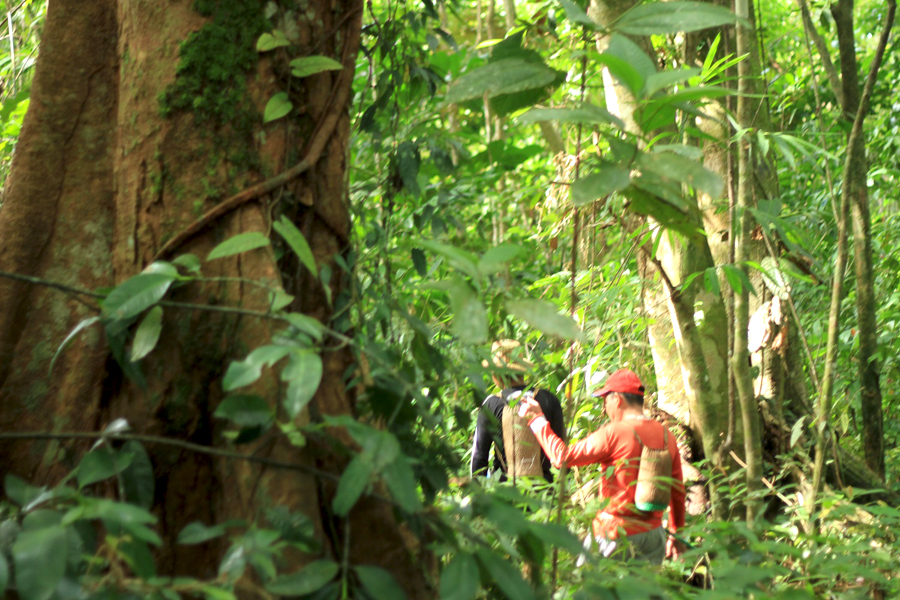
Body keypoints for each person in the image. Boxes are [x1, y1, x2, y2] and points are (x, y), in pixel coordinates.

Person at [518, 368, 686, 564]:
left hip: (614, 534)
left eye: (605, 401)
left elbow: (561, 457)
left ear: (617, 399)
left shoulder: (614, 432)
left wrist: (537, 420)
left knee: (584, 583)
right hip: (653, 537)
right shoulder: (667, 435)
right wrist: (676, 533)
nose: (605, 408)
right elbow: (677, 491)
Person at [470, 340, 566, 483]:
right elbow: (562, 454)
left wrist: (478, 491)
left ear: (497, 374)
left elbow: (478, 457)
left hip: (505, 491)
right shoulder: (549, 400)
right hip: (544, 489)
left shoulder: (491, 405)